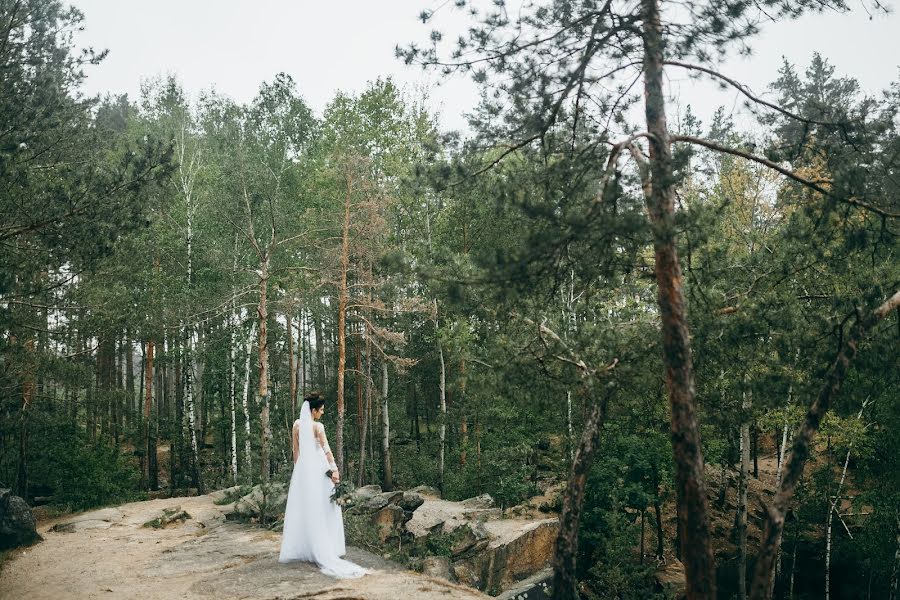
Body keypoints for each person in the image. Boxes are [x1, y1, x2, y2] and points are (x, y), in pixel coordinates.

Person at [278, 392, 369, 578]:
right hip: (320, 469)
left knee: (307, 508)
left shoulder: (297, 425)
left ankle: (308, 547)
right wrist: (334, 470)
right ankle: (327, 546)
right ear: (313, 410)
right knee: (324, 506)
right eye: (320, 410)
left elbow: (296, 452)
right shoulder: (318, 427)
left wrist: (300, 473)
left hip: (304, 469)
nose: (322, 413)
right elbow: (327, 450)